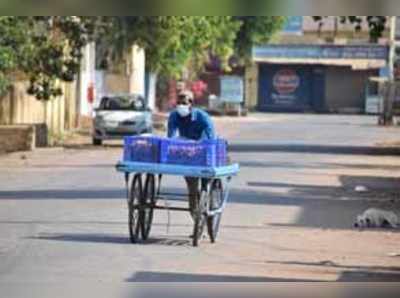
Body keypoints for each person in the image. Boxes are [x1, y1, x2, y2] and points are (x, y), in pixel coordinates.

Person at [167, 91, 216, 222]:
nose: (180, 106)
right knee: (192, 190)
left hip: (203, 150)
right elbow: (170, 137)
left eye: (184, 103)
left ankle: (207, 207)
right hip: (188, 153)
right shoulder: (174, 116)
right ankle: (197, 221)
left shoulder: (202, 117)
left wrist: (203, 148)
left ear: (191, 104)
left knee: (206, 186)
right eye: (178, 103)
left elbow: (211, 137)